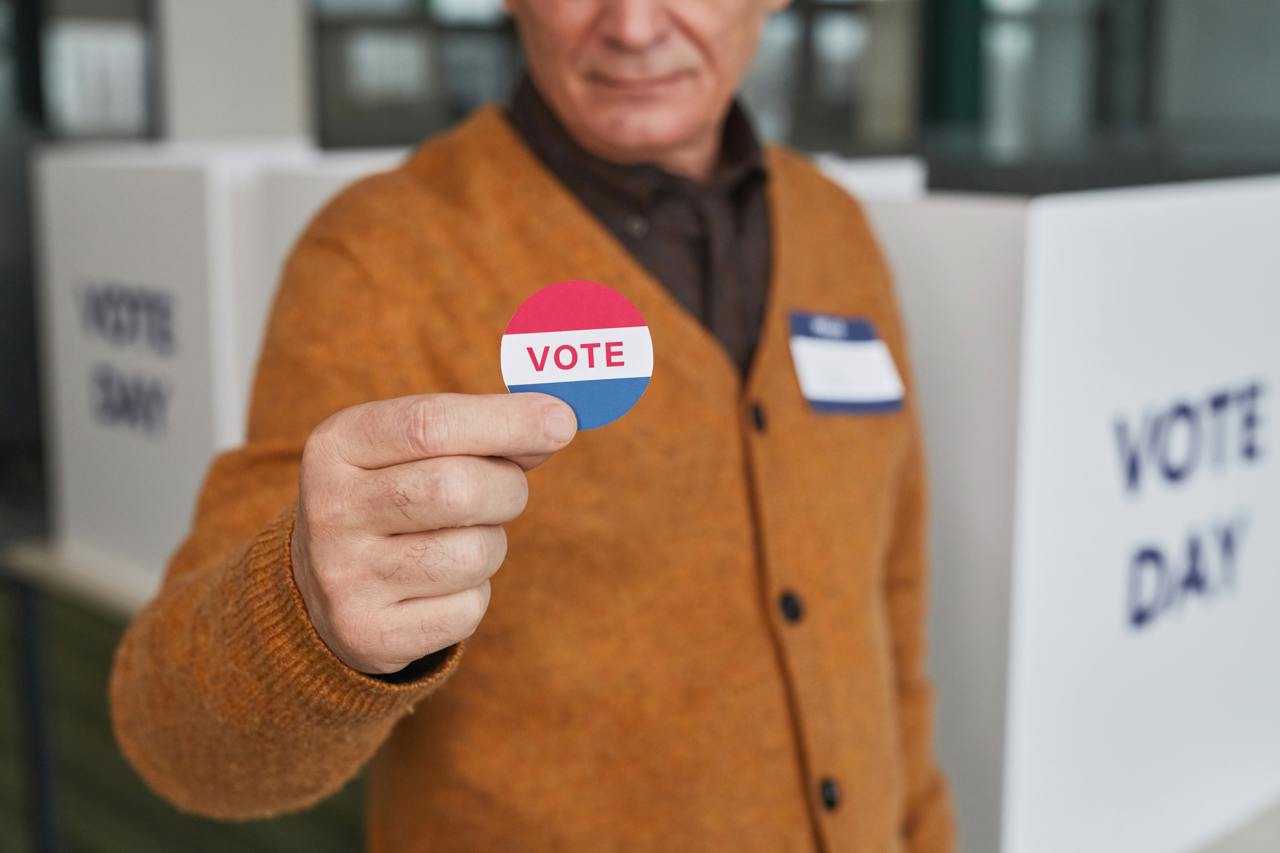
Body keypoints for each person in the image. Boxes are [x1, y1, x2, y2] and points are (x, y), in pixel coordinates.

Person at [109, 1, 956, 851]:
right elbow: (173, 738)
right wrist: (305, 619)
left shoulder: (834, 229)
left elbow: (887, 606)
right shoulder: (382, 254)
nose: (632, 28)